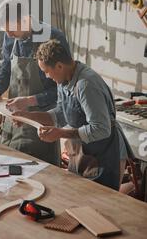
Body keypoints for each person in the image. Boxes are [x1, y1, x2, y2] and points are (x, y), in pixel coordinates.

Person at [9, 39, 133, 190]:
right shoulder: (63, 80)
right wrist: (27, 116)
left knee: (99, 204)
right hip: (81, 151)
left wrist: (60, 133)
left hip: (103, 153)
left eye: (47, 71)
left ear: (60, 66)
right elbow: (60, 114)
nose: (47, 76)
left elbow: (101, 129)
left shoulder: (86, 85)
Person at [0, 0, 71, 164]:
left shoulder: (53, 37)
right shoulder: (10, 36)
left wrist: (30, 100)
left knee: (40, 171)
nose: (8, 35)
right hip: (14, 117)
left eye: (11, 29)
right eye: (5, 31)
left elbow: (63, 89)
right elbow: (6, 67)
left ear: (24, 19)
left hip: (40, 122)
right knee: (9, 165)